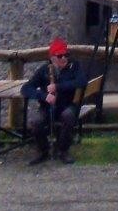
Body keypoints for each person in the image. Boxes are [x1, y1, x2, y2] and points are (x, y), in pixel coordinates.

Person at [22, 37, 88, 165]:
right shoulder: (44, 70)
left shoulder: (74, 66)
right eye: (60, 56)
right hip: (47, 107)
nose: (64, 58)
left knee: (68, 116)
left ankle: (63, 150)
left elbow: (82, 81)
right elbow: (26, 88)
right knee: (35, 121)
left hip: (67, 104)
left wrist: (58, 86)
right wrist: (43, 96)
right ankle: (43, 151)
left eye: (66, 55)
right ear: (52, 57)